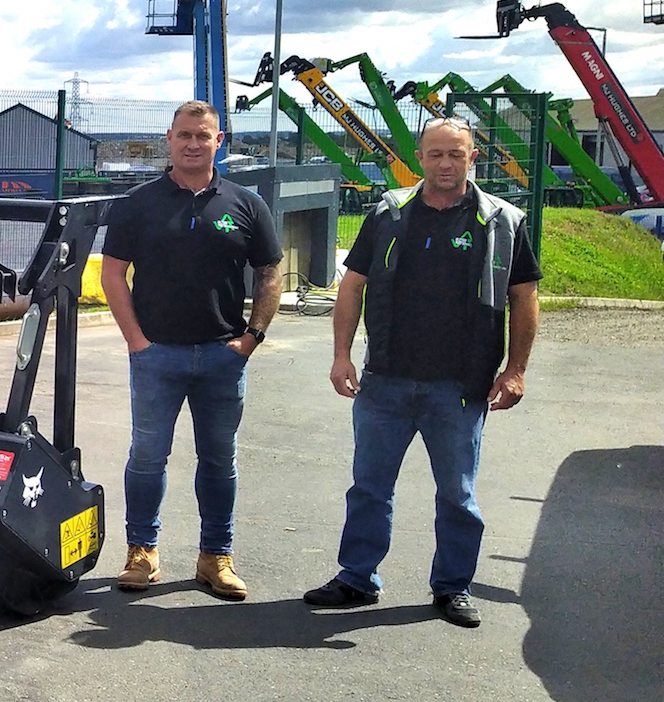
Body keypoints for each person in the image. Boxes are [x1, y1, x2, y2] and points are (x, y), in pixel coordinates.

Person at [305, 117, 539, 627]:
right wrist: (341, 355)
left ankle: (453, 586)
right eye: (435, 154)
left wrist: (515, 370)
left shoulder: (501, 221)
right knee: (369, 487)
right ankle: (357, 578)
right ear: (420, 158)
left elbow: (524, 297)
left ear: (472, 157)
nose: (445, 164)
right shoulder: (389, 214)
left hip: (460, 386)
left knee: (457, 492)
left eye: (455, 154)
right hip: (384, 380)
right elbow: (352, 286)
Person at [101, 101, 282, 600]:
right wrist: (136, 341)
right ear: (169, 138)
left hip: (223, 358)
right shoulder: (139, 203)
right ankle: (142, 552)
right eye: (184, 135)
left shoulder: (246, 204)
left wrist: (251, 339)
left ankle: (215, 557)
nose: (193, 144)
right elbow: (111, 272)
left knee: (219, 460)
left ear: (218, 141)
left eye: (203, 136)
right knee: (146, 458)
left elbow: (270, 272)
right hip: (156, 356)